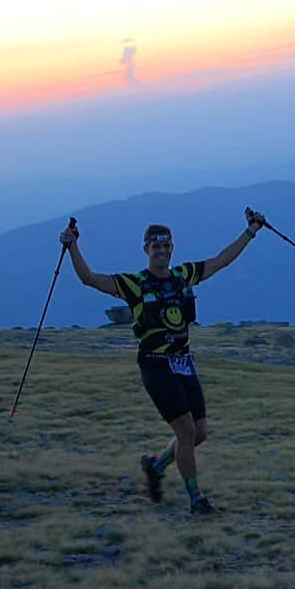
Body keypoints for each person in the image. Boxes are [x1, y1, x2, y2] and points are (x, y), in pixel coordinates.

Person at [59, 207, 266, 515]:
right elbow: (90, 279)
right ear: (146, 249)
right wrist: (73, 246)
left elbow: (221, 260)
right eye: (156, 246)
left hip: (184, 363)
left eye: (167, 245)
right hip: (155, 364)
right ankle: (197, 500)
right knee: (185, 433)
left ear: (172, 248)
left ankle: (155, 468)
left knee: (200, 433)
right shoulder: (136, 284)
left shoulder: (184, 275)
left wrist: (250, 232)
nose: (162, 251)